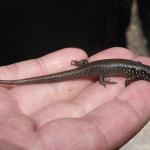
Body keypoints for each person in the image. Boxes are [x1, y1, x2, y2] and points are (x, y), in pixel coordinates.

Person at [0, 47, 150, 149]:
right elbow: (128, 80)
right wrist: (107, 80)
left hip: (90, 67)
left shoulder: (137, 69)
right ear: (144, 75)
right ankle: (101, 79)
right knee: (99, 74)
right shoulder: (136, 72)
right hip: (95, 71)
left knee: (91, 67)